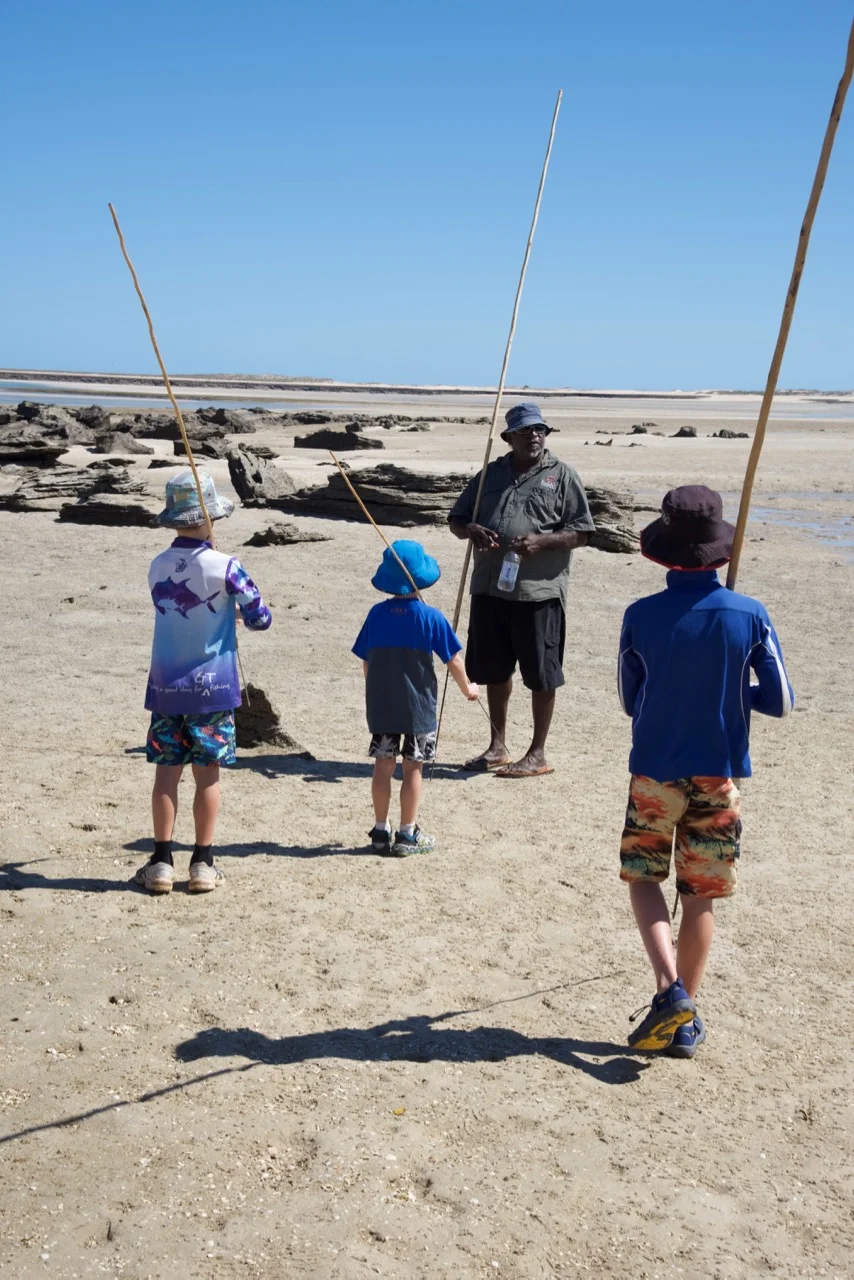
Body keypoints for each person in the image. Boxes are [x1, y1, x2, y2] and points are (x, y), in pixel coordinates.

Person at [618, 485, 793, 1057]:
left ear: (664, 550)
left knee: (646, 879)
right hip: (718, 774)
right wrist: (731, 689)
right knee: (700, 895)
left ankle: (670, 991)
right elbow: (782, 700)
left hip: (654, 772)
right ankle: (684, 1013)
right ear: (719, 551)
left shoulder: (640, 615)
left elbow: (630, 698)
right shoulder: (750, 614)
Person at [134, 470, 272, 895]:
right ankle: (203, 862)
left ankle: (160, 861)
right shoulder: (226, 566)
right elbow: (261, 618)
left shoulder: (157, 566)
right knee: (207, 776)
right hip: (212, 690)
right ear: (209, 517)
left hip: (166, 687)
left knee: (165, 775)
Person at [448, 401, 595, 777]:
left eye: (540, 430)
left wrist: (541, 542)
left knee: (540, 673)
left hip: (538, 592)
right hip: (490, 587)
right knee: (495, 670)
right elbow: (457, 518)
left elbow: (582, 532)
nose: (534, 436)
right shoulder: (490, 473)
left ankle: (537, 752)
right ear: (509, 437)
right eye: (526, 430)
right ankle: (497, 746)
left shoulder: (562, 475)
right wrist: (472, 530)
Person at [352, 540, 479, 855]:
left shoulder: (376, 615)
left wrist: (374, 690)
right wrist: (469, 689)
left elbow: (366, 660)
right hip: (418, 709)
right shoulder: (431, 617)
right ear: (420, 579)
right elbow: (454, 660)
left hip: (381, 705)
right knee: (413, 768)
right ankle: (407, 833)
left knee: (382, 766)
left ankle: (381, 830)